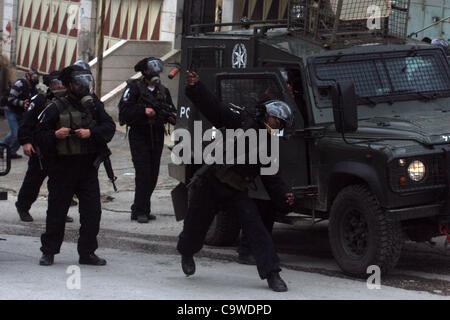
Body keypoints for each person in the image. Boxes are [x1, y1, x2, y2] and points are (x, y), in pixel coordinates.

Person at [177, 71, 295, 292]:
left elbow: (272, 177)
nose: (278, 126)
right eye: (276, 121)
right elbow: (215, 108)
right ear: (267, 115)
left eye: (281, 124)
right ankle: (186, 253)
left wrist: (284, 194)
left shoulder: (269, 145)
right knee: (195, 227)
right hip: (211, 184)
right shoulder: (241, 121)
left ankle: (272, 274)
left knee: (257, 229)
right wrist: (196, 87)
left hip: (236, 190)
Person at [35, 65, 115, 266]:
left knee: (92, 213)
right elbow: (38, 134)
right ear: (70, 85)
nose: (83, 85)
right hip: (62, 168)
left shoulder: (94, 105)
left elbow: (109, 127)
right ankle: (49, 251)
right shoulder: (55, 107)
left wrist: (92, 133)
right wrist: (54, 135)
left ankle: (87, 253)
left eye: (85, 81)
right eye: (78, 82)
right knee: (57, 212)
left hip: (88, 167)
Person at [118, 57, 176, 224]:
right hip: (139, 134)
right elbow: (124, 112)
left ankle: (140, 207)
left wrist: (172, 117)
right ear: (145, 73)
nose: (156, 74)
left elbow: (170, 110)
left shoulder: (163, 90)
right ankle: (141, 210)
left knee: (153, 173)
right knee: (143, 173)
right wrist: (143, 111)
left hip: (156, 134)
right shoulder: (134, 88)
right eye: (152, 71)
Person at [16, 71, 74, 222]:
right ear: (50, 85)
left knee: (60, 184)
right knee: (33, 181)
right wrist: (26, 142)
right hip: (41, 149)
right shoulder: (40, 100)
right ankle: (23, 207)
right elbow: (26, 122)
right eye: (56, 83)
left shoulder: (70, 100)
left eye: (61, 83)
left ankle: (58, 211)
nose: (59, 86)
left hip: (62, 150)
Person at [0, 69, 39, 159]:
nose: (35, 79)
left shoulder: (33, 88)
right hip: (10, 110)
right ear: (28, 76)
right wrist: (22, 103)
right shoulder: (20, 84)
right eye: (33, 77)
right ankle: (1, 148)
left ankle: (11, 151)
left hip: (21, 112)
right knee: (15, 133)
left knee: (20, 133)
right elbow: (10, 99)